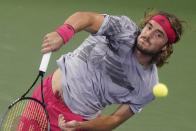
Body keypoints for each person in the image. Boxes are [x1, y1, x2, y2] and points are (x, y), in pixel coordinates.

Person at [35, 9, 183, 131]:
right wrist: (63, 33)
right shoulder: (123, 29)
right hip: (43, 95)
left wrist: (82, 126)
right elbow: (87, 18)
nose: (148, 35)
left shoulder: (147, 85)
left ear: (165, 46)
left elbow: (115, 119)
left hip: (73, 121)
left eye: (158, 35)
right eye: (149, 27)